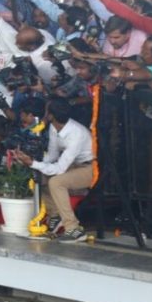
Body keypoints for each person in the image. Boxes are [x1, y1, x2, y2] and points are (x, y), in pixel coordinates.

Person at [14, 98, 95, 243]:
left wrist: (33, 163)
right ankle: (55, 215)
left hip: (91, 168)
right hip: (73, 165)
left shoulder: (76, 133)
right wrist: (30, 161)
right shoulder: (53, 127)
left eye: (46, 111)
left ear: (51, 115)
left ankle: (74, 229)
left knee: (57, 182)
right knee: (39, 175)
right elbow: (52, 157)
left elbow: (59, 169)